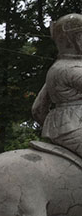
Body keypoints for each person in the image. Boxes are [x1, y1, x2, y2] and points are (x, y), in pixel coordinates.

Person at [32, 13, 82, 157]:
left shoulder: (57, 68)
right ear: (76, 39)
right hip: (74, 128)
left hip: (61, 128)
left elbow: (37, 109)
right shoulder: (71, 69)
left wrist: (53, 125)